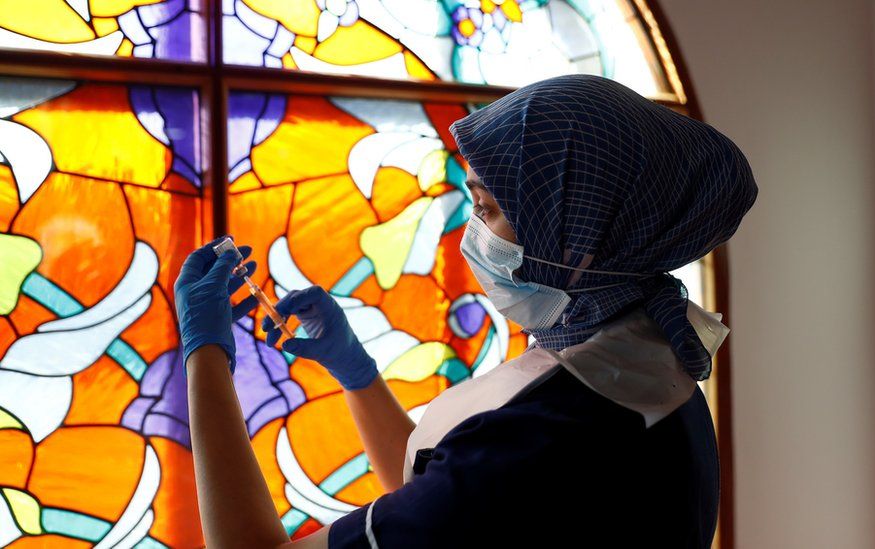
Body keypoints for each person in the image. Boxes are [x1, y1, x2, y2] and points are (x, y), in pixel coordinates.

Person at [175, 74, 758, 548]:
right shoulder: (645, 363)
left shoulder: (545, 439)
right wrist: (357, 375)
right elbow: (448, 502)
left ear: (578, 232)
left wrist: (203, 356)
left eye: (487, 207)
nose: (471, 234)